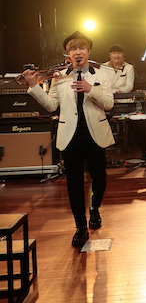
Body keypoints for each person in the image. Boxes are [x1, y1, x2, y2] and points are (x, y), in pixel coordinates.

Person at [24, 31, 114, 247]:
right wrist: (34, 86)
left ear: (88, 51)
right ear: (68, 54)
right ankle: (80, 227)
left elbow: (109, 104)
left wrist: (90, 90)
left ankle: (94, 208)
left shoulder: (101, 75)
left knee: (99, 178)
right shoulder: (59, 77)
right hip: (70, 137)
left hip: (95, 135)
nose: (78, 52)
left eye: (82, 48)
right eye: (73, 48)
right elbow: (51, 105)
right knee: (74, 183)